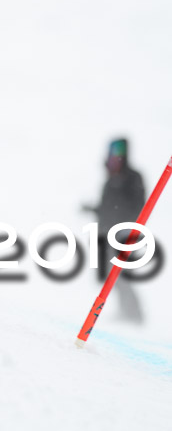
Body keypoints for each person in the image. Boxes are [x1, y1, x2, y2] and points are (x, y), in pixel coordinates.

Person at [83, 138, 146, 322]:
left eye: (118, 153)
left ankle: (134, 316)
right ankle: (126, 312)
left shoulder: (132, 177)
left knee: (121, 275)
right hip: (107, 234)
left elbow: (138, 206)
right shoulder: (110, 180)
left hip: (124, 234)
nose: (114, 158)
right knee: (112, 276)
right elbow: (106, 207)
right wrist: (93, 210)